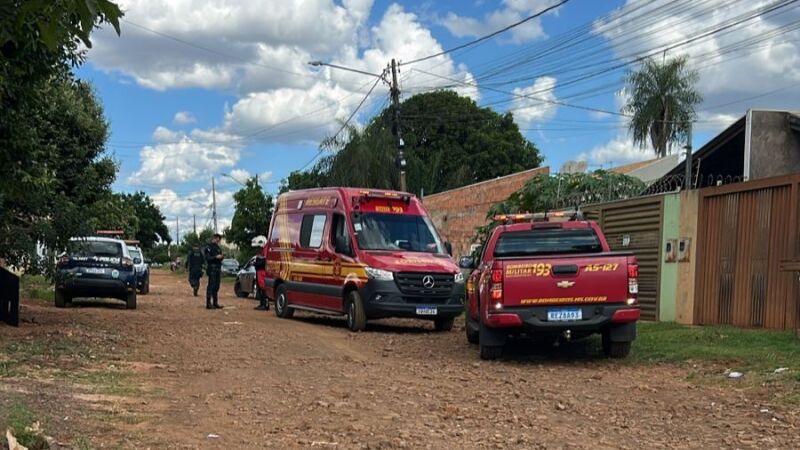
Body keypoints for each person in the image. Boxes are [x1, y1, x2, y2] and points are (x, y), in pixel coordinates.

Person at [204, 234, 224, 310]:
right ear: (214, 238)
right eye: (217, 239)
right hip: (212, 268)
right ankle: (208, 303)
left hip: (218, 268)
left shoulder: (218, 248)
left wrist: (221, 257)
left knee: (216, 286)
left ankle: (215, 303)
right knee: (211, 286)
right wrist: (215, 257)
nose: (218, 241)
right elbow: (207, 258)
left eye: (219, 239)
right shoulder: (208, 247)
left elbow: (220, 257)